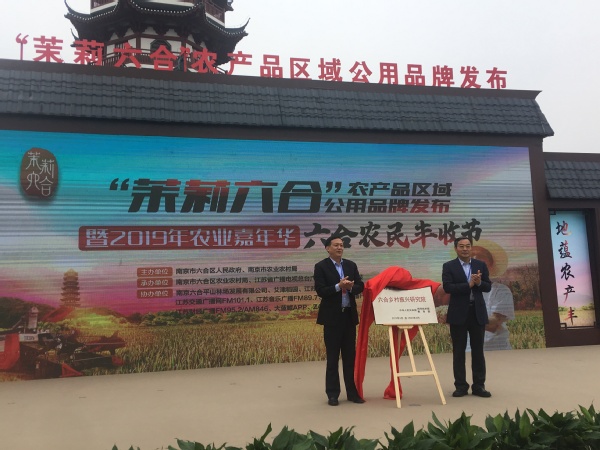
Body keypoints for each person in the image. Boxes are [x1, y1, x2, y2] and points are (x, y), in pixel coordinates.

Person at [313, 234, 365, 406]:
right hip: (332, 319)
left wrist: (350, 287)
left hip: (348, 317)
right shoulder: (321, 266)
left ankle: (352, 393)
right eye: (336, 245)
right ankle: (333, 394)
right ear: (327, 248)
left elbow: (360, 286)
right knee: (333, 358)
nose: (339, 248)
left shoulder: (350, 265)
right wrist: (338, 286)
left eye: (341, 245)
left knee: (350, 357)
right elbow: (321, 290)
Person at [442, 236, 492, 398]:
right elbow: (448, 287)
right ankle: (461, 386)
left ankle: (479, 386)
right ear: (456, 248)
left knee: (478, 351)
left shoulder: (480, 265)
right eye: (461, 246)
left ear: (471, 248)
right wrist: (468, 285)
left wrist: (478, 283)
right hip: (458, 314)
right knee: (459, 351)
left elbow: (488, 286)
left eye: (468, 246)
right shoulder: (449, 266)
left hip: (477, 313)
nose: (465, 249)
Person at [471, 244, 515, 351]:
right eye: (471, 256)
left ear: (490, 265)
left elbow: (494, 323)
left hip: (496, 352)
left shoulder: (501, 291)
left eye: (481, 256)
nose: (475, 258)